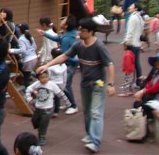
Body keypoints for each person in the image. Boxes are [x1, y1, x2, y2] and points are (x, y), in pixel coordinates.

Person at [37, 17, 116, 154]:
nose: (80, 33)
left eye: (83, 30)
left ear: (91, 32)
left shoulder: (99, 46)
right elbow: (64, 56)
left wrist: (110, 84)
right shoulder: (79, 45)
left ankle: (95, 142)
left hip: (99, 83)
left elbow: (110, 65)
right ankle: (90, 135)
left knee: (96, 112)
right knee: (87, 112)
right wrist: (47, 65)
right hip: (85, 83)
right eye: (79, 29)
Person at [38, 14, 79, 114]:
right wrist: (45, 34)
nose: (62, 21)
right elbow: (58, 38)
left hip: (69, 64)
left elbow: (64, 55)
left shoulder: (67, 38)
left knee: (66, 85)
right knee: (65, 84)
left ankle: (73, 105)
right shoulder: (70, 33)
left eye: (64, 20)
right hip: (72, 63)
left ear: (66, 26)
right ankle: (68, 102)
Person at [25, 70, 71, 145]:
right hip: (38, 107)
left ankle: (42, 137)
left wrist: (67, 102)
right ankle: (39, 128)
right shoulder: (37, 84)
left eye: (46, 77)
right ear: (38, 79)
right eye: (42, 78)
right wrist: (29, 99)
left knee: (44, 123)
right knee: (34, 120)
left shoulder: (52, 85)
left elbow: (60, 93)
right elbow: (28, 89)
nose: (44, 79)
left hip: (47, 109)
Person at [133, 52, 159, 118]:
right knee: (138, 104)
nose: (158, 63)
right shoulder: (158, 71)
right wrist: (143, 91)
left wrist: (143, 92)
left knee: (142, 107)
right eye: (157, 61)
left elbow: (155, 88)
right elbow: (150, 83)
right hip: (155, 97)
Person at [10, 23, 38, 89]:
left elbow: (23, 50)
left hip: (28, 59)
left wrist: (12, 50)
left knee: (26, 78)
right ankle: (33, 74)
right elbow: (35, 47)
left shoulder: (21, 39)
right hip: (34, 57)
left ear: (20, 30)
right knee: (27, 73)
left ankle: (28, 91)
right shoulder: (31, 37)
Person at [122, 3, 144, 83]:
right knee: (137, 63)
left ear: (135, 8)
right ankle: (138, 81)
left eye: (131, 6)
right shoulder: (140, 17)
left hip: (132, 43)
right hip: (137, 43)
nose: (129, 7)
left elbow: (130, 32)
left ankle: (131, 83)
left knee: (130, 64)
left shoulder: (133, 18)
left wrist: (126, 42)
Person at [47, 48, 68, 117]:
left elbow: (49, 76)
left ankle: (48, 110)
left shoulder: (51, 66)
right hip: (60, 83)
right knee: (57, 98)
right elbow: (65, 77)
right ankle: (56, 112)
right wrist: (63, 86)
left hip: (53, 83)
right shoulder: (64, 65)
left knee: (50, 97)